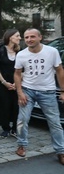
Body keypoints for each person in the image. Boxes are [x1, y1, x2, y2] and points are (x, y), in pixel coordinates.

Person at [14, 28, 64, 165]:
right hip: (27, 90)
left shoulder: (51, 52)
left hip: (47, 92)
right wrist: (20, 93)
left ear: (40, 37)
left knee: (55, 123)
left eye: (32, 37)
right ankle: (22, 145)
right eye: (26, 37)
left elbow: (59, 70)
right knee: (22, 120)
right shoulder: (22, 55)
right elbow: (17, 74)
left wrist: (63, 91)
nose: (29, 39)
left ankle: (61, 151)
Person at [0, 29, 21, 138]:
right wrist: (4, 82)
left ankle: (15, 128)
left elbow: (23, 69)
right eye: (17, 36)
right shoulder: (1, 50)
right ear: (10, 37)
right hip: (3, 83)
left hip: (17, 83)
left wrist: (16, 84)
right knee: (4, 105)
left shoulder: (20, 52)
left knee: (16, 106)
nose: (19, 38)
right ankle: (6, 128)